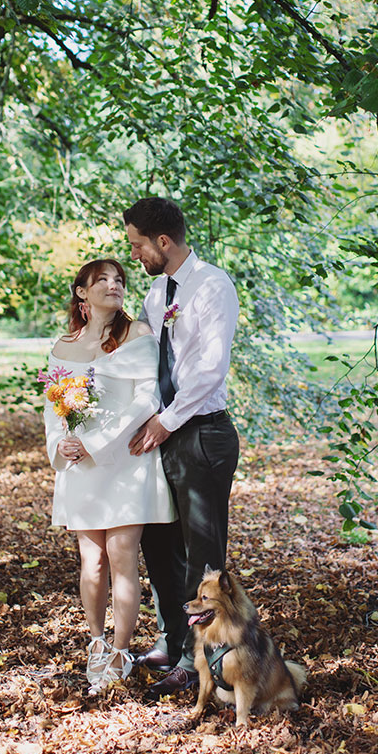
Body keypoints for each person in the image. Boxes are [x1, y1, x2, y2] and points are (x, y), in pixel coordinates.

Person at [123, 196, 240, 697]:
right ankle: (173, 640)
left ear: (163, 242)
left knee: (203, 556)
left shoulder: (212, 286)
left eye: (137, 244)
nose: (135, 254)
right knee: (158, 541)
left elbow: (208, 370)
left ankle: (203, 665)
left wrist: (165, 423)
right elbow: (151, 361)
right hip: (165, 434)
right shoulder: (156, 294)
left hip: (202, 433)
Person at [44, 258, 175, 694]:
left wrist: (98, 445)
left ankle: (122, 650)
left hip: (123, 460)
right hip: (79, 465)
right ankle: (96, 643)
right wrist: (60, 445)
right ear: (81, 292)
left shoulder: (136, 334)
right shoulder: (63, 344)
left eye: (119, 280)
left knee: (121, 555)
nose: (113, 286)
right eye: (101, 280)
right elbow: (53, 405)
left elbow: (147, 399)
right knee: (91, 560)